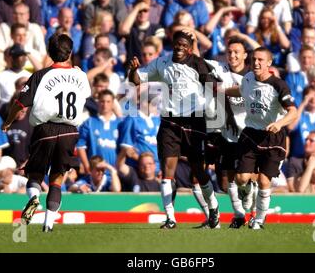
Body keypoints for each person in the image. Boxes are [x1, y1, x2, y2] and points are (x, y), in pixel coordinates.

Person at [127, 29, 226, 229]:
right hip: (170, 123)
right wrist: (133, 70)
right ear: (173, 44)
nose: (180, 48)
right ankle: (171, 218)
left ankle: (214, 207)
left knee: (198, 171)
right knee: (167, 170)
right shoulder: (162, 63)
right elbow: (136, 80)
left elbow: (211, 87)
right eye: (177, 44)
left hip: (194, 121)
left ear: (190, 49)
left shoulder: (198, 63)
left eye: (184, 46)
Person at [1, 33, 91, 232]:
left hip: (45, 129)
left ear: (49, 52)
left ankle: (34, 198)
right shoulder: (80, 75)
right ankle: (48, 224)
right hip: (69, 131)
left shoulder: (40, 75)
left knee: (35, 175)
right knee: (57, 179)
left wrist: (7, 122)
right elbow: (84, 95)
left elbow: (20, 103)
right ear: (70, 52)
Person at [225, 46, 297, 229]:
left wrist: (279, 124)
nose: (256, 63)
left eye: (260, 60)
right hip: (250, 134)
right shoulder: (248, 78)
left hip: (273, 137)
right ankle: (248, 194)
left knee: (265, 180)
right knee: (241, 179)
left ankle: (259, 220)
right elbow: (241, 91)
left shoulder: (279, 85)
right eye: (254, 59)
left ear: (269, 63)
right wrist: (221, 91)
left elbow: (293, 111)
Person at [204, 36, 249, 228]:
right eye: (229, 52)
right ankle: (239, 215)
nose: (232, 55)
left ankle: (250, 209)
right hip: (226, 133)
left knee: (246, 178)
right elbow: (196, 59)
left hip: (248, 132)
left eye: (237, 52)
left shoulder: (251, 77)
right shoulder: (219, 68)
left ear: (245, 55)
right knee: (227, 180)